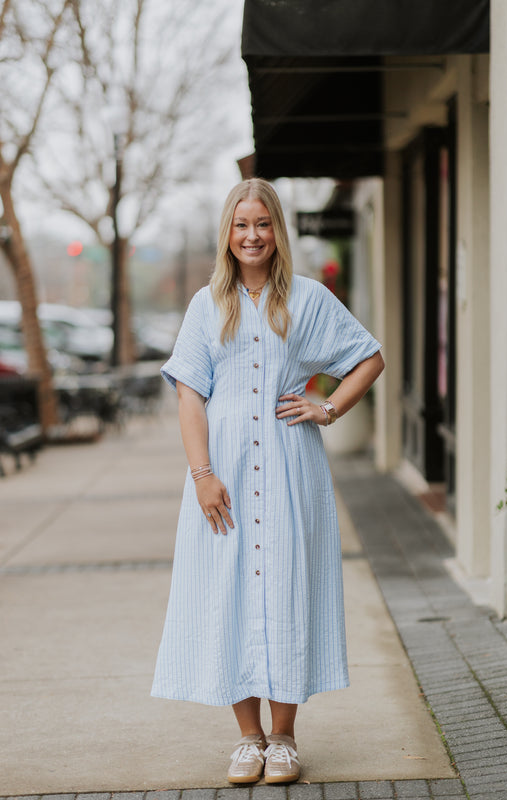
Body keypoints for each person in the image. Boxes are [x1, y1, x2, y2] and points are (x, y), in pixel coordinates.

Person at [151, 178, 384, 784]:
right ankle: (247, 739)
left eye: (262, 224)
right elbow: (189, 396)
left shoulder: (307, 300)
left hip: (288, 470)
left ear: (277, 232)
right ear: (227, 233)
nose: (252, 236)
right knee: (225, 593)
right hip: (222, 474)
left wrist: (326, 407)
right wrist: (202, 475)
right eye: (240, 225)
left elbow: (369, 357)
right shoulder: (207, 305)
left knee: (285, 589)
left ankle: (283, 737)